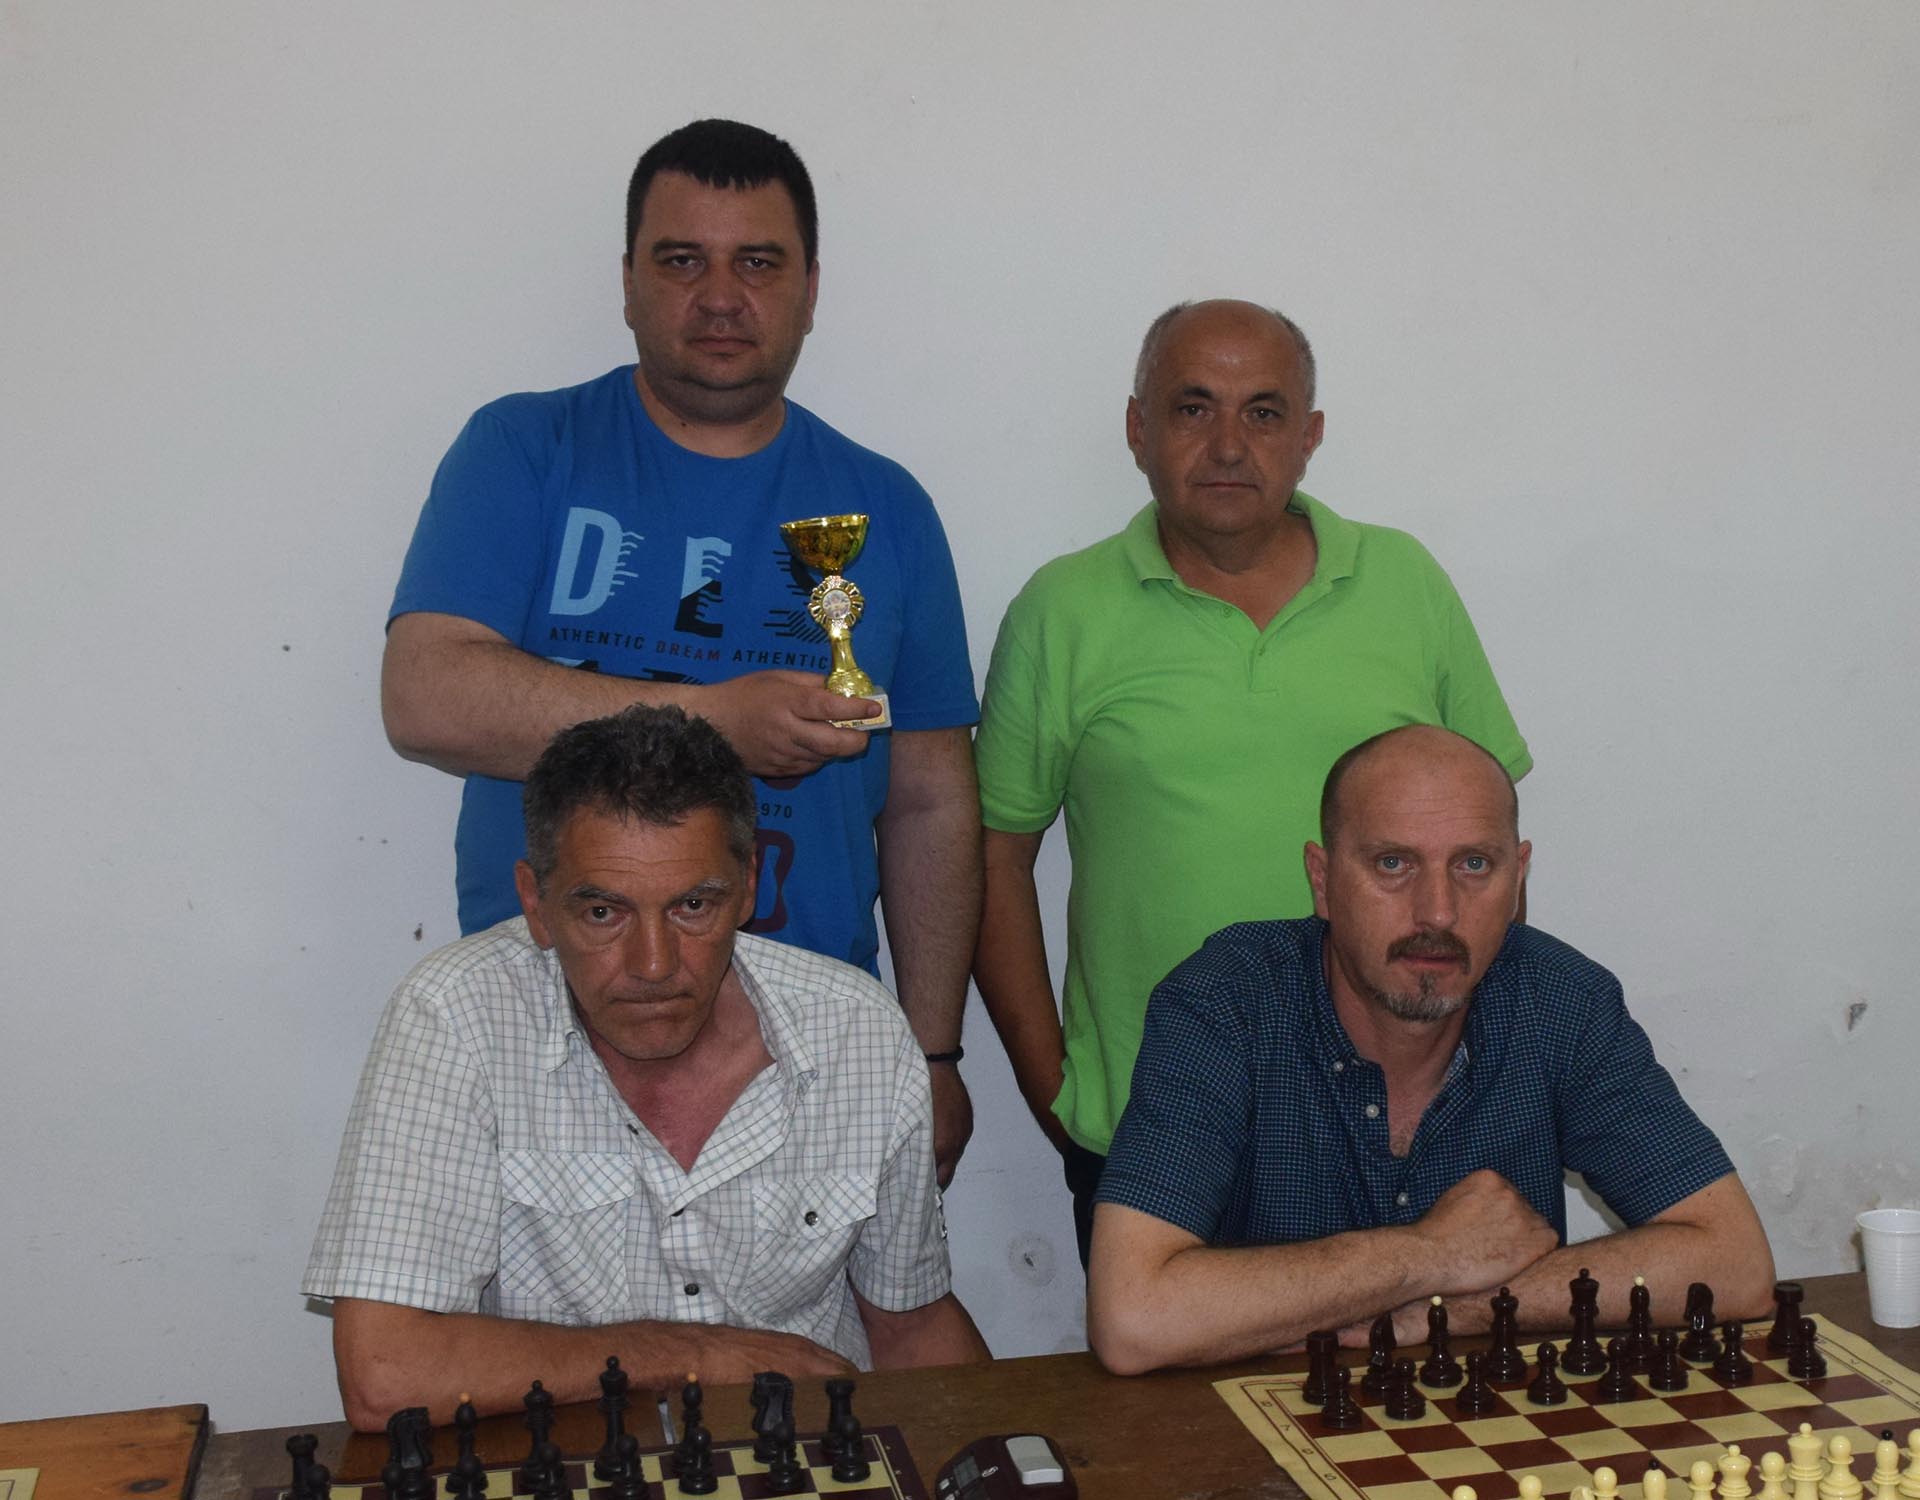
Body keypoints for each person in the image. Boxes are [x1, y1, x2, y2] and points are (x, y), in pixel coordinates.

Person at [380, 119, 981, 1180]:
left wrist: (931, 1052)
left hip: (811, 1043)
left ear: (809, 288)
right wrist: (716, 720)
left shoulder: (887, 506)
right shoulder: (524, 450)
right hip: (544, 1024)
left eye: (758, 263)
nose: (720, 297)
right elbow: (424, 697)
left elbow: (931, 801)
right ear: (627, 280)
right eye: (681, 260)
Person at [972, 299, 1531, 1264]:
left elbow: (1489, 841)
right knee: (1161, 1367)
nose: (1229, 445)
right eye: (1193, 408)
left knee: (1425, 1366)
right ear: (1138, 429)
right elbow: (992, 858)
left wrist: (1486, 1073)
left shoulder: (1404, 582)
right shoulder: (1062, 610)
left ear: (1309, 437)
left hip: (1401, 1121)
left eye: (1264, 413)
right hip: (1158, 1127)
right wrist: (1053, 1087)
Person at [305, 705, 989, 1429]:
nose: (654, 966)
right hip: (563, 1461)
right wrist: (693, 1356)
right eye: (604, 913)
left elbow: (910, 1325)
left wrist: (1010, 1456)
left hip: (806, 1456)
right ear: (536, 904)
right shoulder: (455, 1017)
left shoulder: (856, 1029)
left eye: (693, 905)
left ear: (749, 886)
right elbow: (386, 1373)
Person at [1086, 725, 1775, 1375]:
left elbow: (1737, 1265)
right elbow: (1132, 1318)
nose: (1438, 912)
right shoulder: (1225, 1004)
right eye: (1393, 864)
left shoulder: (1562, 1002)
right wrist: (1430, 1253)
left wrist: (1448, 1310)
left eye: (1474, 864)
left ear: (1518, 879)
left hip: (1492, 1430)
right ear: (1323, 881)